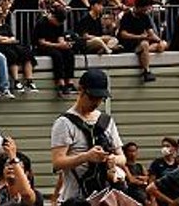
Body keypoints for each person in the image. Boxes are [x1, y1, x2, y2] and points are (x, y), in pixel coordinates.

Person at [51, 68, 125, 205]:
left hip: (105, 197)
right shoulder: (64, 123)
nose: (96, 103)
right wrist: (86, 157)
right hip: (75, 198)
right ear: (81, 90)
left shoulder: (107, 121)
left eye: (100, 98)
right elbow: (57, 162)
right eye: (92, 97)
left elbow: (122, 158)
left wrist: (112, 159)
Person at [117, 0, 167, 82]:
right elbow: (123, 34)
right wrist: (140, 37)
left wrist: (160, 41)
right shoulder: (127, 16)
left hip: (142, 43)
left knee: (160, 46)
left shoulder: (145, 16)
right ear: (138, 7)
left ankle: (144, 53)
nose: (145, 12)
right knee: (145, 44)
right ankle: (146, 71)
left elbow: (151, 33)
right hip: (129, 44)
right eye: (144, 9)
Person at [33, 6, 77, 96]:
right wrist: (58, 45)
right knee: (57, 55)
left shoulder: (59, 24)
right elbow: (41, 42)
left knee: (69, 53)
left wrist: (64, 44)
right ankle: (60, 82)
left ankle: (69, 81)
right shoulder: (42, 23)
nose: (59, 24)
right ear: (53, 17)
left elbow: (60, 37)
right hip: (43, 46)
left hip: (55, 44)